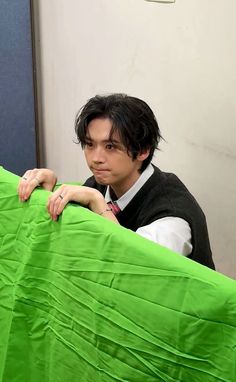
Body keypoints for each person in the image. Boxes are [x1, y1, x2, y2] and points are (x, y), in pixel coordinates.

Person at [18, 93, 215, 269]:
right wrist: (46, 192)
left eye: (110, 146)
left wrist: (98, 204)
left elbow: (135, 268)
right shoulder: (101, 183)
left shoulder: (172, 216)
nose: (96, 158)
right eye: (89, 144)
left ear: (144, 150)